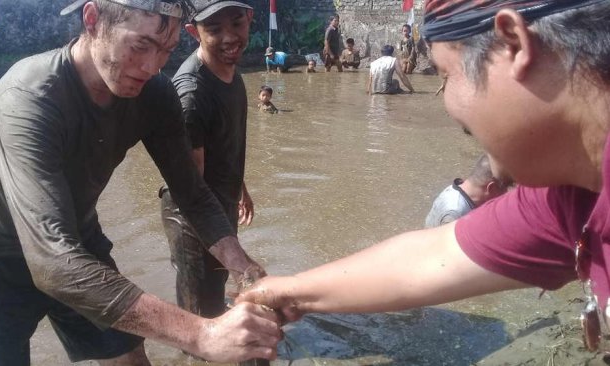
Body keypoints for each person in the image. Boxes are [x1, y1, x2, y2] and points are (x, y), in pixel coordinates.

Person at [240, 0, 610, 355]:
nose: (447, 102)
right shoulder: (566, 197)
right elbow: (432, 258)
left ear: (512, 44)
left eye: (445, 75)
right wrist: (288, 292)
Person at [0, 0, 281, 365]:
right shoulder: (28, 100)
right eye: (141, 45)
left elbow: (193, 195)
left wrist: (246, 270)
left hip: (78, 245)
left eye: (167, 50)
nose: (152, 66)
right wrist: (201, 333)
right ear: (93, 19)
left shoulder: (155, 94)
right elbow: (50, 258)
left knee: (130, 360)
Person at [161, 3, 272, 366]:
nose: (229, 38)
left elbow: (228, 144)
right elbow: (191, 193)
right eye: (214, 29)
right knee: (199, 325)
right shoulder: (191, 94)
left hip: (221, 202)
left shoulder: (231, 72)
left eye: (236, 23)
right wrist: (239, 260)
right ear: (194, 32)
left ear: (249, 20)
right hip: (192, 219)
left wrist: (241, 188)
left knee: (216, 299)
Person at [425, 154, 510, 228]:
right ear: (491, 187)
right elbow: (446, 244)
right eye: (506, 186)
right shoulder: (456, 213)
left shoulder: (458, 190)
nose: (506, 192)